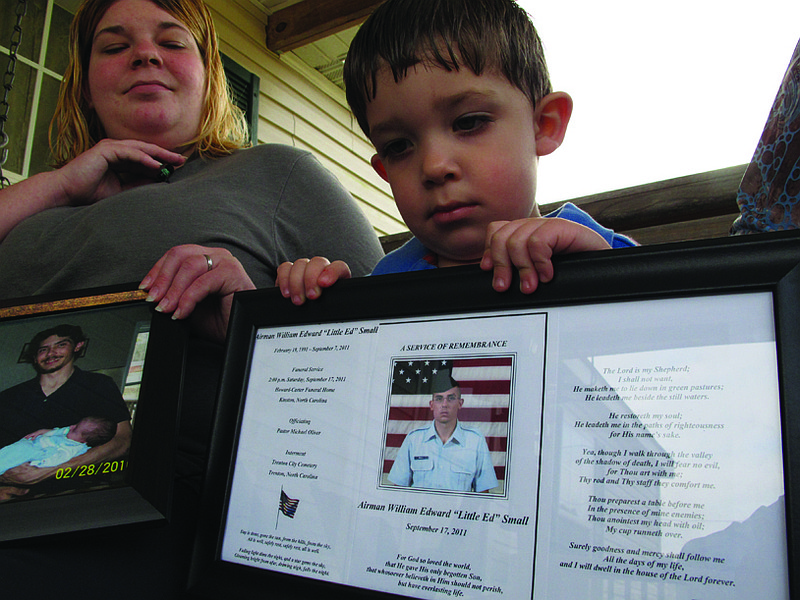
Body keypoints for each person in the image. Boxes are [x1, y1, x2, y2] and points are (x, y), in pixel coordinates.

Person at [0, 0, 383, 597]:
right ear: (83, 81)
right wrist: (62, 181)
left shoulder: (274, 175)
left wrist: (248, 314)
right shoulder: (41, 202)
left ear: (208, 75)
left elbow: (392, 352)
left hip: (160, 506)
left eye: (173, 42)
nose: (145, 54)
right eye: (113, 45)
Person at [276, 0, 635, 305]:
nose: (434, 166)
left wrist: (599, 275)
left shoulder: (594, 249)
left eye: (468, 123)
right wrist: (323, 311)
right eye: (399, 146)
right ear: (383, 169)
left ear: (544, 125)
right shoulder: (386, 282)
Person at [0, 324, 132, 497]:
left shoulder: (98, 385)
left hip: (74, 490)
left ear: (78, 346)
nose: (50, 353)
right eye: (43, 349)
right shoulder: (10, 396)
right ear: (34, 357)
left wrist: (50, 471)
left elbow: (123, 440)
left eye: (60, 345)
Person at [388, 370, 498, 492]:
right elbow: (398, 490)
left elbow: (483, 495)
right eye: (439, 399)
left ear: (460, 404)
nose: (444, 404)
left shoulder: (475, 441)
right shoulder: (414, 439)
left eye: (451, 398)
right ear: (431, 405)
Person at [0, 416, 116, 476]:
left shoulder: (73, 449)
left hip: (41, 454)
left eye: (75, 429)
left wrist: (38, 463)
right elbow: (59, 431)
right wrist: (43, 431)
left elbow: (57, 459)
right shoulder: (72, 433)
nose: (70, 426)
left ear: (83, 441)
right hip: (34, 443)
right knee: (14, 448)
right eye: (75, 424)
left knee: (19, 452)